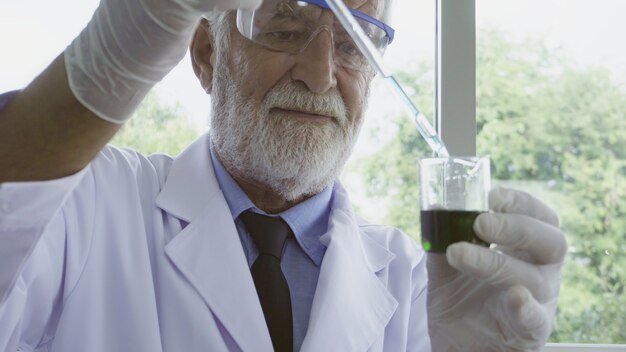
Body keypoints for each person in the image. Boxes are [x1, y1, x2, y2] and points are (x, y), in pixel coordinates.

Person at [0, 0, 567, 350]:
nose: (321, 76)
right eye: (284, 30)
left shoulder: (422, 285)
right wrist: (111, 58)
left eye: (352, 46)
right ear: (204, 53)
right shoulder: (92, 202)